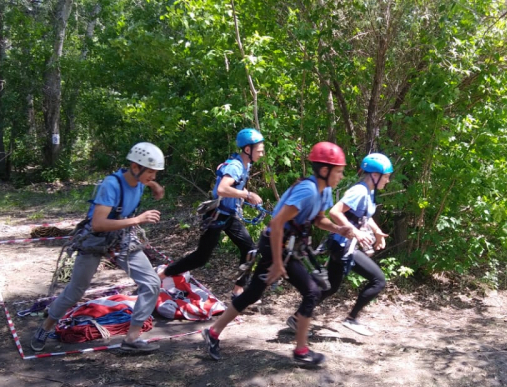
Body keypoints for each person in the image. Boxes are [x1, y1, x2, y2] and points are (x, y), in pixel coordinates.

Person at [202, 142, 355, 366]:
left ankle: (213, 332)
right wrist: (278, 263)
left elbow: (319, 219)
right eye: (339, 171)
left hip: (286, 246)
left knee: (254, 292)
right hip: (276, 244)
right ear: (324, 170)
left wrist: (338, 229)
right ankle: (301, 351)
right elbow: (277, 222)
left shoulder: (325, 191)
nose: (341, 176)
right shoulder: (308, 190)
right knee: (312, 292)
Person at [30, 142, 166, 353]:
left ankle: (131, 339)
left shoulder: (139, 180)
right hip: (95, 238)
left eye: (156, 173)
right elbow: (98, 223)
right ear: (135, 167)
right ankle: (46, 326)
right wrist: (137, 219)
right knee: (75, 291)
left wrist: (154, 186)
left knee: (151, 283)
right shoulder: (111, 185)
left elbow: (143, 184)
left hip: (121, 238)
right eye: (151, 173)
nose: (153, 177)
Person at [286, 153, 392, 336]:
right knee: (378, 280)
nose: (388, 180)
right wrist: (356, 232)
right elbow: (335, 212)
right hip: (343, 246)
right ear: (375, 176)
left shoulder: (369, 191)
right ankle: (351, 319)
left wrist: (376, 232)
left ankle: (297, 318)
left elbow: (365, 216)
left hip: (344, 246)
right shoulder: (359, 191)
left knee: (330, 287)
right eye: (386, 176)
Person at [158, 128, 265, 298]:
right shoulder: (236, 166)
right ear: (247, 150)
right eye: (259, 150)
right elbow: (223, 189)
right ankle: (162, 276)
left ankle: (238, 290)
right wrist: (248, 194)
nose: (262, 153)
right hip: (216, 215)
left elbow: (235, 186)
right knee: (201, 258)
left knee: (250, 249)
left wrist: (246, 196)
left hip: (228, 215)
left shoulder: (246, 165)